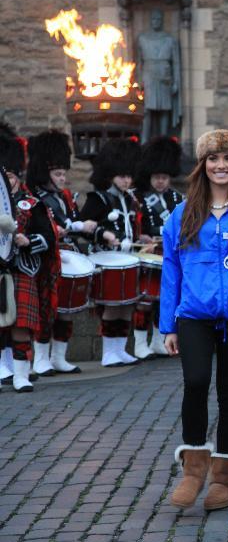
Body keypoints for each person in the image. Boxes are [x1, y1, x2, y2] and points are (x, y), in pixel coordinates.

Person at [162, 130, 228, 510]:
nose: (220, 166)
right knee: (195, 382)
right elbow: (171, 269)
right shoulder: (183, 213)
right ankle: (192, 469)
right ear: (202, 165)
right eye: (213, 159)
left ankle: (222, 479)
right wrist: (168, 325)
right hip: (194, 316)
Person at [26, 130, 98, 375]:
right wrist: (66, 229)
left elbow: (71, 220)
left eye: (64, 172)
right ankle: (41, 358)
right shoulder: (33, 197)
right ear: (44, 172)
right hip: (46, 259)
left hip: (68, 256)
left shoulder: (65, 197)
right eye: (57, 173)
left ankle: (59, 357)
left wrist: (82, 227)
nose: (63, 178)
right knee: (48, 309)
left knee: (67, 310)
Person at [0, 130, 58, 393]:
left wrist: (28, 241)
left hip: (22, 269)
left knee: (22, 327)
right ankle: (3, 370)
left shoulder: (31, 203)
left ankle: (21, 374)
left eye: (9, 176)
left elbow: (48, 237)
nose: (6, 181)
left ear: (17, 175)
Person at [79, 139, 143, 366]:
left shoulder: (129, 199)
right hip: (106, 259)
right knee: (112, 305)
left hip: (126, 258)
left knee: (127, 306)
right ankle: (108, 352)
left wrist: (140, 238)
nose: (127, 180)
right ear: (111, 174)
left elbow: (132, 227)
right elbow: (83, 227)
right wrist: (104, 234)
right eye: (122, 175)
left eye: (129, 176)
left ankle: (120, 349)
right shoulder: (99, 198)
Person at [133, 135, 184, 360]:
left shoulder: (177, 198)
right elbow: (136, 225)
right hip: (148, 252)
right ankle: (139, 344)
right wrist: (142, 237)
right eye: (156, 177)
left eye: (164, 177)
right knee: (145, 299)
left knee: (162, 300)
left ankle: (157, 341)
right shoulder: (141, 198)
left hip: (169, 252)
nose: (160, 182)